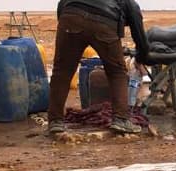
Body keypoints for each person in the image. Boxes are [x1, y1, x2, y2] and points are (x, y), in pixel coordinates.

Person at [47, 0, 151, 135]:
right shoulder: (128, 3)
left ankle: (55, 121)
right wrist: (143, 55)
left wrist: (67, 29)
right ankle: (121, 119)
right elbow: (138, 33)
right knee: (117, 72)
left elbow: (62, 5)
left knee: (62, 71)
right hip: (105, 24)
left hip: (71, 18)